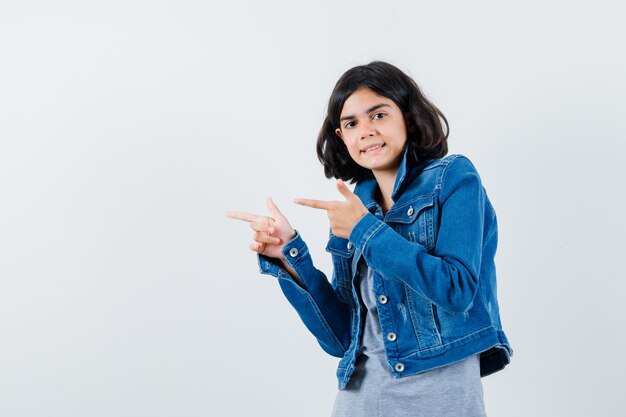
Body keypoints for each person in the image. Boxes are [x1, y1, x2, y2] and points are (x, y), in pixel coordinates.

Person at [226, 61, 512, 417]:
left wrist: (364, 230)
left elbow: (456, 290)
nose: (366, 131)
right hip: (359, 396)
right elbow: (341, 339)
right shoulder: (353, 209)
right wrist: (290, 257)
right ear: (341, 136)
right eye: (351, 123)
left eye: (378, 115)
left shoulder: (453, 178)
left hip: (440, 394)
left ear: (407, 116)